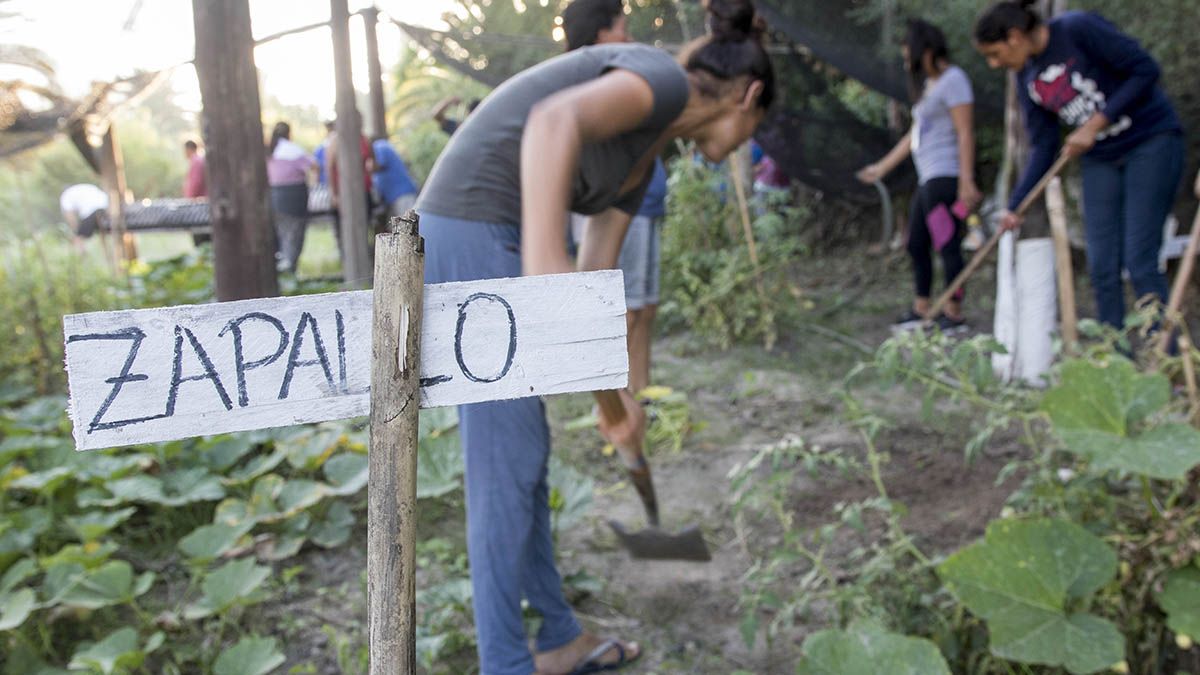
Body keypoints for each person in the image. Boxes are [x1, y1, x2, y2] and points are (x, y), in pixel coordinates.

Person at [414, 0, 774, 671]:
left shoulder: (646, 161)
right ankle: (506, 664)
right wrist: (544, 265)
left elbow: (589, 290)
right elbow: (554, 121)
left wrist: (617, 410)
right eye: (758, 126)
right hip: (471, 227)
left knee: (526, 452)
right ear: (750, 97)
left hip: (497, 238)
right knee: (504, 465)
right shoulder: (660, 80)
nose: (748, 142)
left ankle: (556, 638)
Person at [975, 1, 1184, 330]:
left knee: (1139, 259)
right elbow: (1043, 147)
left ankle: (1167, 358)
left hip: (1150, 141)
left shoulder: (1076, 29)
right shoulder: (1025, 77)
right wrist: (1015, 206)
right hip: (1101, 158)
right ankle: (1114, 362)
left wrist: (1096, 122)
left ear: (1014, 36)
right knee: (1101, 265)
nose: (993, 63)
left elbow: (1145, 70)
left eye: (994, 54)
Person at [562, 0, 662, 394]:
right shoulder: (595, 81)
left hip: (646, 204)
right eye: (623, 25)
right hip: (619, 209)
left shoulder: (614, 76)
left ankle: (640, 390)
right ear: (601, 32)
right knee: (623, 309)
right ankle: (616, 398)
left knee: (644, 307)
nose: (630, 35)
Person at [857, 19, 981, 332]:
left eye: (907, 53)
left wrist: (966, 180)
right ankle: (922, 307)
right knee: (915, 243)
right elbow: (915, 135)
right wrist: (881, 168)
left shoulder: (954, 80)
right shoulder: (929, 87)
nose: (905, 61)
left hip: (946, 176)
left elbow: (965, 131)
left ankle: (953, 313)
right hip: (929, 178)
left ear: (924, 50)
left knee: (947, 242)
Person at [266, 122, 316, 273]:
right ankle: (289, 269)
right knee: (293, 235)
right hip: (294, 198)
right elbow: (314, 166)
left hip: (273, 196)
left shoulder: (270, 151)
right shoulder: (293, 150)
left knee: (279, 235)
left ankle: (280, 267)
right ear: (289, 133)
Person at [371, 138, 419, 220]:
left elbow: (378, 165)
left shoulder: (379, 146)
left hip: (403, 195)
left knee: (408, 225)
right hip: (395, 199)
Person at [60, 183, 109, 252]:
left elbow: (70, 216)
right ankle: (108, 254)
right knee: (104, 231)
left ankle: (82, 257)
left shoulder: (65, 196)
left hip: (91, 211)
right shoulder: (81, 188)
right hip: (106, 207)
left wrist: (76, 231)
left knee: (79, 237)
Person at [313, 121, 334, 186]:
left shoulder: (320, 148)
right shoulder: (320, 149)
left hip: (327, 182)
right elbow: (317, 169)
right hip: (325, 182)